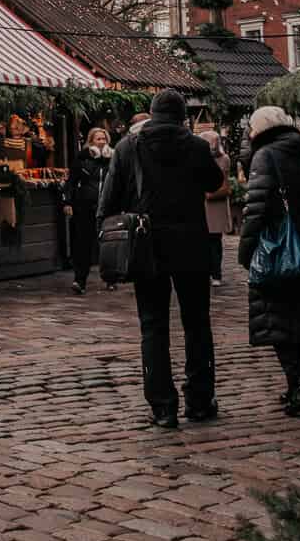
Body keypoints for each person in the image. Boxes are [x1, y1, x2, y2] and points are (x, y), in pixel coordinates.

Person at [98, 88, 224, 429]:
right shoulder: (196, 146)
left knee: (153, 326)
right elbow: (215, 181)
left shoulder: (128, 147)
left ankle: (163, 407)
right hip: (191, 245)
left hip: (146, 246)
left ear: (152, 114)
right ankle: (199, 400)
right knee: (197, 324)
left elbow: (108, 201)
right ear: (182, 116)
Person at [238, 105, 300, 415]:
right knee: (294, 319)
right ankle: (297, 383)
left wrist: (246, 250)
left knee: (277, 321)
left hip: (277, 250)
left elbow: (256, 207)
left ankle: (299, 382)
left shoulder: (265, 156)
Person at [65, 127, 112, 295]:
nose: (101, 142)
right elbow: (71, 181)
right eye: (98, 139)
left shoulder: (112, 159)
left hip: (107, 208)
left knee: (108, 244)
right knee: (83, 244)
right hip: (85, 207)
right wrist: (68, 201)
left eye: (104, 139)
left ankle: (110, 278)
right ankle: (80, 280)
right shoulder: (82, 158)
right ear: (91, 142)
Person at [196, 125, 233, 285]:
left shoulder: (224, 159)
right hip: (201, 204)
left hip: (215, 204)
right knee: (203, 241)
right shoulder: (196, 157)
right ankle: (207, 271)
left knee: (215, 241)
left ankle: (216, 273)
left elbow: (225, 184)